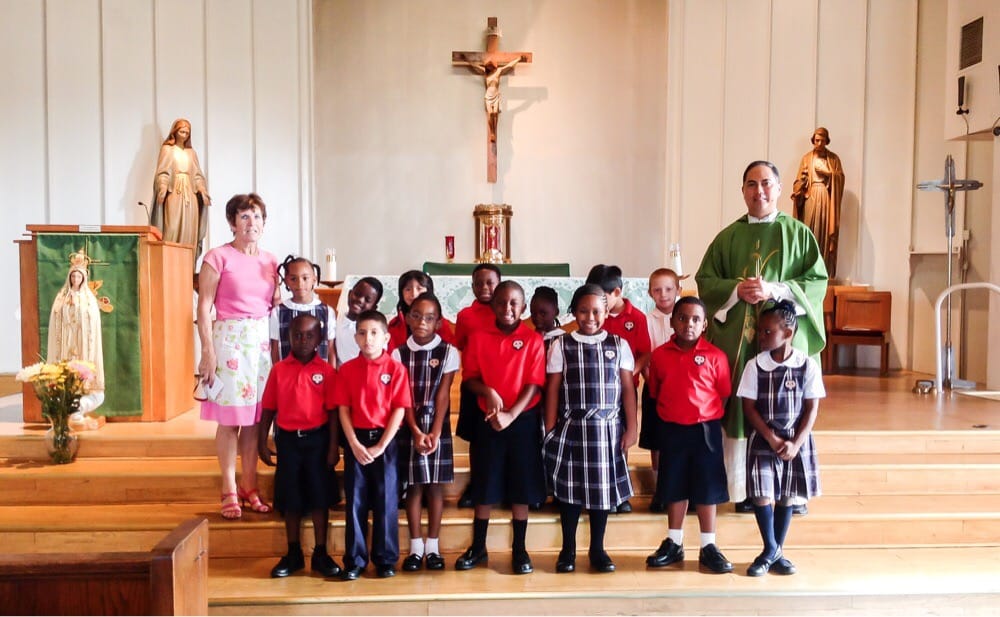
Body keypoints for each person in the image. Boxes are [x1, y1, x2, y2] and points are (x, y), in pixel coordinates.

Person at [694, 160, 827, 511]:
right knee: (744, 407)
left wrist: (774, 290)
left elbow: (816, 283)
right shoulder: (727, 238)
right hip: (740, 343)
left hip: (784, 341)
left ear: (779, 188)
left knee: (787, 407)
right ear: (742, 191)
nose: (759, 191)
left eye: (766, 183)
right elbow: (706, 281)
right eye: (751, 184)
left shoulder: (799, 234)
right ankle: (744, 490)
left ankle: (791, 493)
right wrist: (737, 291)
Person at [543, 284, 637, 574]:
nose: (590, 317)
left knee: (601, 491)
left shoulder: (619, 345)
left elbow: (628, 389)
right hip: (572, 428)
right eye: (583, 311)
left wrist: (632, 427)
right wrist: (550, 429)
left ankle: (597, 548)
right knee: (569, 492)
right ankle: (568, 549)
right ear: (574, 312)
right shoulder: (561, 345)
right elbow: (553, 389)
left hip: (607, 431)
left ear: (606, 312)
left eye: (597, 311)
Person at [454, 281, 546, 575]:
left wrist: (512, 415)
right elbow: (470, 377)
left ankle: (519, 549)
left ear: (523, 307)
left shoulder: (532, 340)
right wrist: (488, 392)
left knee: (521, 486)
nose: (508, 308)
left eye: (514, 303)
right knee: (485, 483)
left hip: (523, 420)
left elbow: (534, 383)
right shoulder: (479, 338)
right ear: (493, 305)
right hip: (489, 419)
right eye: (502, 302)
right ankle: (478, 546)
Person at [198, 193, 280, 520]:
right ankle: (229, 488)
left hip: (261, 346)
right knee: (231, 419)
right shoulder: (218, 257)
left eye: (257, 216)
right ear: (232, 223)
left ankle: (250, 485)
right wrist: (207, 351)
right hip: (230, 342)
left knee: (255, 421)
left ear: (264, 223)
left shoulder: (271, 261)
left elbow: (275, 306)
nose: (251, 223)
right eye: (244, 216)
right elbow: (204, 307)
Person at [645, 297, 734, 574]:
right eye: (682, 318)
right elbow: (655, 391)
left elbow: (723, 392)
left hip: (705, 430)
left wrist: (703, 414)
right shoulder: (660, 355)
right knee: (674, 484)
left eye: (696, 319)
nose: (689, 324)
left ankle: (709, 545)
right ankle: (674, 542)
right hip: (672, 429)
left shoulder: (716, 356)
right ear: (672, 321)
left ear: (705, 324)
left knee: (707, 487)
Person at [739, 301, 824, 576]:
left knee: (787, 496)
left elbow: (811, 408)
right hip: (765, 438)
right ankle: (771, 549)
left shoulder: (806, 365)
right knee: (761, 494)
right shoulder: (755, 365)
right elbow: (749, 407)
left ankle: (774, 552)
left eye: (768, 331)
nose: (761, 336)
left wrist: (796, 443)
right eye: (760, 331)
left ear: (787, 333)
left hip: (794, 441)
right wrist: (772, 438)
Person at [258, 315, 342, 579]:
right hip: (288, 442)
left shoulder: (327, 371)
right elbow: (268, 408)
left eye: (309, 335)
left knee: (319, 497)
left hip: (318, 441)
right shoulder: (279, 370)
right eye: (297, 335)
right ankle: (293, 553)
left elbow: (333, 413)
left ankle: (320, 553)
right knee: (290, 497)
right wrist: (262, 441)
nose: (303, 340)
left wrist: (333, 447)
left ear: (319, 339)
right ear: (288, 337)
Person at [334, 310, 412, 580]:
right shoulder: (347, 370)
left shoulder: (396, 369)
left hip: (385, 442)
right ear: (355, 337)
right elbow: (343, 409)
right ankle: (355, 560)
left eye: (374, 333)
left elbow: (399, 409)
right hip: (356, 441)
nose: (368, 339)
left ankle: (385, 558)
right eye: (362, 333)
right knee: (355, 500)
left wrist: (381, 445)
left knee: (386, 499)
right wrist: (353, 443)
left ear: (386, 338)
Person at [390, 293, 458, 572]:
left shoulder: (449, 352)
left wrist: (435, 431)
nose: (422, 322)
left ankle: (433, 547)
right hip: (410, 425)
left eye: (429, 318)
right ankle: (416, 547)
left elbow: (443, 394)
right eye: (416, 316)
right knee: (414, 486)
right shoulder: (398, 354)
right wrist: (416, 431)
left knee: (434, 486)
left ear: (438, 323)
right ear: (407, 318)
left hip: (437, 425)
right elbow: (402, 395)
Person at [585, 264, 651, 514]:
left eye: (603, 297)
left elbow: (645, 353)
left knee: (621, 442)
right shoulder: (595, 316)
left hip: (624, 392)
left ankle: (620, 493)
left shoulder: (637, 318)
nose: (597, 302)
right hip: (598, 393)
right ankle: (598, 491)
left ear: (617, 292)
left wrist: (630, 372)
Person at [453, 263, 502, 508]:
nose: (484, 287)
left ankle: (502, 484)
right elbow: (461, 344)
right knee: (476, 438)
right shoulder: (465, 316)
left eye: (490, 282)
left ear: (499, 284)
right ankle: (476, 484)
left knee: (500, 437)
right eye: (479, 283)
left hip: (501, 385)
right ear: (472, 287)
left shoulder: (505, 310)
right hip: (474, 384)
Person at [47, 250, 105, 424]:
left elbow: (92, 319)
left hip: (82, 343)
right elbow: (56, 316)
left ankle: (78, 410)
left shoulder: (88, 299)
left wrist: (81, 318)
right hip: (66, 341)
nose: (76, 279)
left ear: (83, 278)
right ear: (70, 277)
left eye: (79, 277)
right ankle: (67, 410)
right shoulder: (62, 296)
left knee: (84, 377)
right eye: (73, 276)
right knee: (65, 375)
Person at [641, 268, 681, 512]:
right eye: (657, 290)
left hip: (682, 390)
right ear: (649, 293)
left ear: (678, 290)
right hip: (655, 387)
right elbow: (645, 356)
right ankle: (659, 490)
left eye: (668, 289)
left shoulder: (685, 316)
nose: (663, 294)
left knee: (677, 439)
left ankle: (678, 486)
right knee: (656, 440)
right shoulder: (646, 320)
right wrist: (654, 383)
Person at [152, 118, 211, 260]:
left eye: (187, 132)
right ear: (175, 132)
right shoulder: (168, 149)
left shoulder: (191, 153)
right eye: (182, 131)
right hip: (175, 192)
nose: (184, 135)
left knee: (189, 231)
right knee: (171, 227)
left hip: (190, 195)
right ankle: (169, 261)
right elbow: (163, 172)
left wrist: (202, 190)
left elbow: (197, 176)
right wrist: (162, 187)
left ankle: (187, 264)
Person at [791, 127, 845, 278]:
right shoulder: (807, 158)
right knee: (810, 232)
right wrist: (798, 189)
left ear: (827, 141)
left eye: (822, 140)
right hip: (811, 198)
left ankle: (823, 269)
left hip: (826, 199)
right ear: (813, 141)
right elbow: (799, 180)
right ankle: (808, 269)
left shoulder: (833, 159)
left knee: (825, 234)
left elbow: (840, 178)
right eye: (816, 140)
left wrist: (828, 173)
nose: (819, 143)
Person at [270, 256, 335, 366]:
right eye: (293, 279)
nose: (300, 284)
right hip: (288, 373)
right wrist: (276, 373)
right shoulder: (278, 312)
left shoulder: (327, 311)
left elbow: (331, 349)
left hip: (319, 374)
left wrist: (332, 373)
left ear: (314, 279)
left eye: (305, 278)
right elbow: (275, 349)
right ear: (286, 281)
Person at [387, 270, 454, 351]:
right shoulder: (395, 325)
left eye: (419, 288)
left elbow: (450, 349)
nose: (414, 294)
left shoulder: (439, 322)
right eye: (408, 289)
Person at [334, 277, 384, 367]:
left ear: (374, 307)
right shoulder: (335, 323)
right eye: (357, 294)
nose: (360, 300)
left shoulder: (374, 332)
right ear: (349, 294)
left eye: (367, 300)